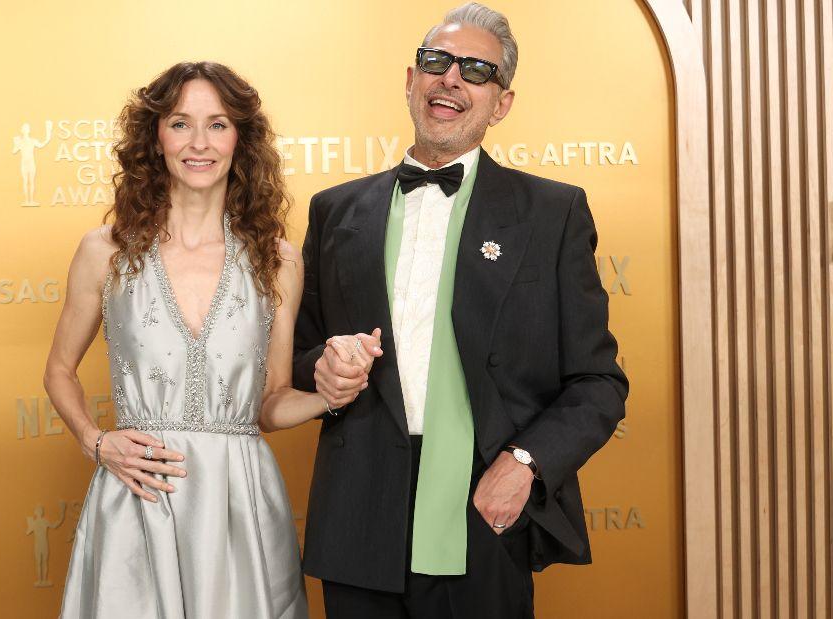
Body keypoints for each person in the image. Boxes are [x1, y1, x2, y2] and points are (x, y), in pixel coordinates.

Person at [291, 3, 629, 618]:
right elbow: (297, 354)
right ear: (411, 80)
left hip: (484, 511)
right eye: (436, 62)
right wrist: (321, 366)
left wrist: (526, 463)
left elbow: (598, 384)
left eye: (477, 70)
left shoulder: (553, 215)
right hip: (357, 516)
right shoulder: (334, 210)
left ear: (501, 104)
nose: (451, 79)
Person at [44, 61, 323, 618]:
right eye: (180, 123)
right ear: (156, 137)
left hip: (240, 504)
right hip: (138, 497)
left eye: (217, 124)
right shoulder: (105, 250)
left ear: (241, 139)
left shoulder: (279, 261)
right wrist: (96, 442)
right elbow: (59, 370)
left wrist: (328, 399)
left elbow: (269, 403)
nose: (199, 143)